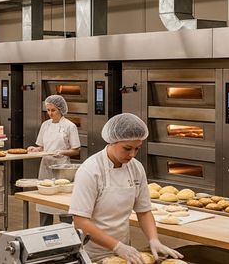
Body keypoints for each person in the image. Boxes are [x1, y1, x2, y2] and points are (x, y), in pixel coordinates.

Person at [69, 113, 183, 263]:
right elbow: (80, 221)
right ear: (112, 141)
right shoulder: (90, 171)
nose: (132, 154)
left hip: (124, 252)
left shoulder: (136, 168)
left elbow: (144, 211)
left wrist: (154, 240)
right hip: (89, 253)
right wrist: (117, 246)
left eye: (137, 148)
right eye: (127, 148)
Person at [26, 95, 81, 226]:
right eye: (48, 110)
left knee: (62, 205)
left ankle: (68, 233)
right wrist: (35, 149)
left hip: (62, 169)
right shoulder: (45, 125)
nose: (50, 113)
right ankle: (44, 232)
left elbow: (76, 150)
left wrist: (62, 152)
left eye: (53, 110)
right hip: (45, 167)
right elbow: (42, 146)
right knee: (44, 201)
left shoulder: (70, 126)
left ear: (61, 110)